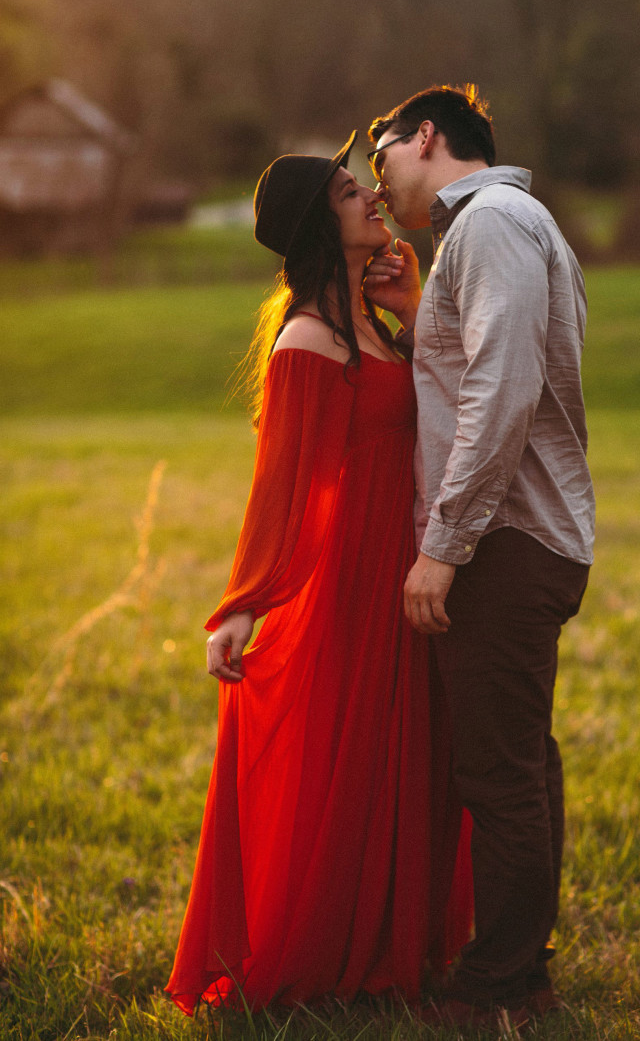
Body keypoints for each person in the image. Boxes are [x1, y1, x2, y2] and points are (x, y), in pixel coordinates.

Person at [165, 132, 473, 1016]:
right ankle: (332, 957)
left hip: (405, 566)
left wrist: (412, 307)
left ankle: (391, 945)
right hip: (350, 580)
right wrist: (244, 604)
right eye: (348, 193)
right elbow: (283, 486)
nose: (371, 196)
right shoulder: (306, 339)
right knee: (351, 763)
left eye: (361, 185)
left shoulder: (371, 325)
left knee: (405, 757)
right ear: (316, 225)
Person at [365, 85, 595, 1029]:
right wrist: (422, 308)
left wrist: (443, 546)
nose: (375, 183)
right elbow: (478, 365)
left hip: (502, 540)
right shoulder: (497, 227)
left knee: (496, 771)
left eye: (380, 156)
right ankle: (522, 968)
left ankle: (496, 986)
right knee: (520, 761)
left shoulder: (493, 222)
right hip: (523, 532)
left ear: (425, 138)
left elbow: (500, 391)